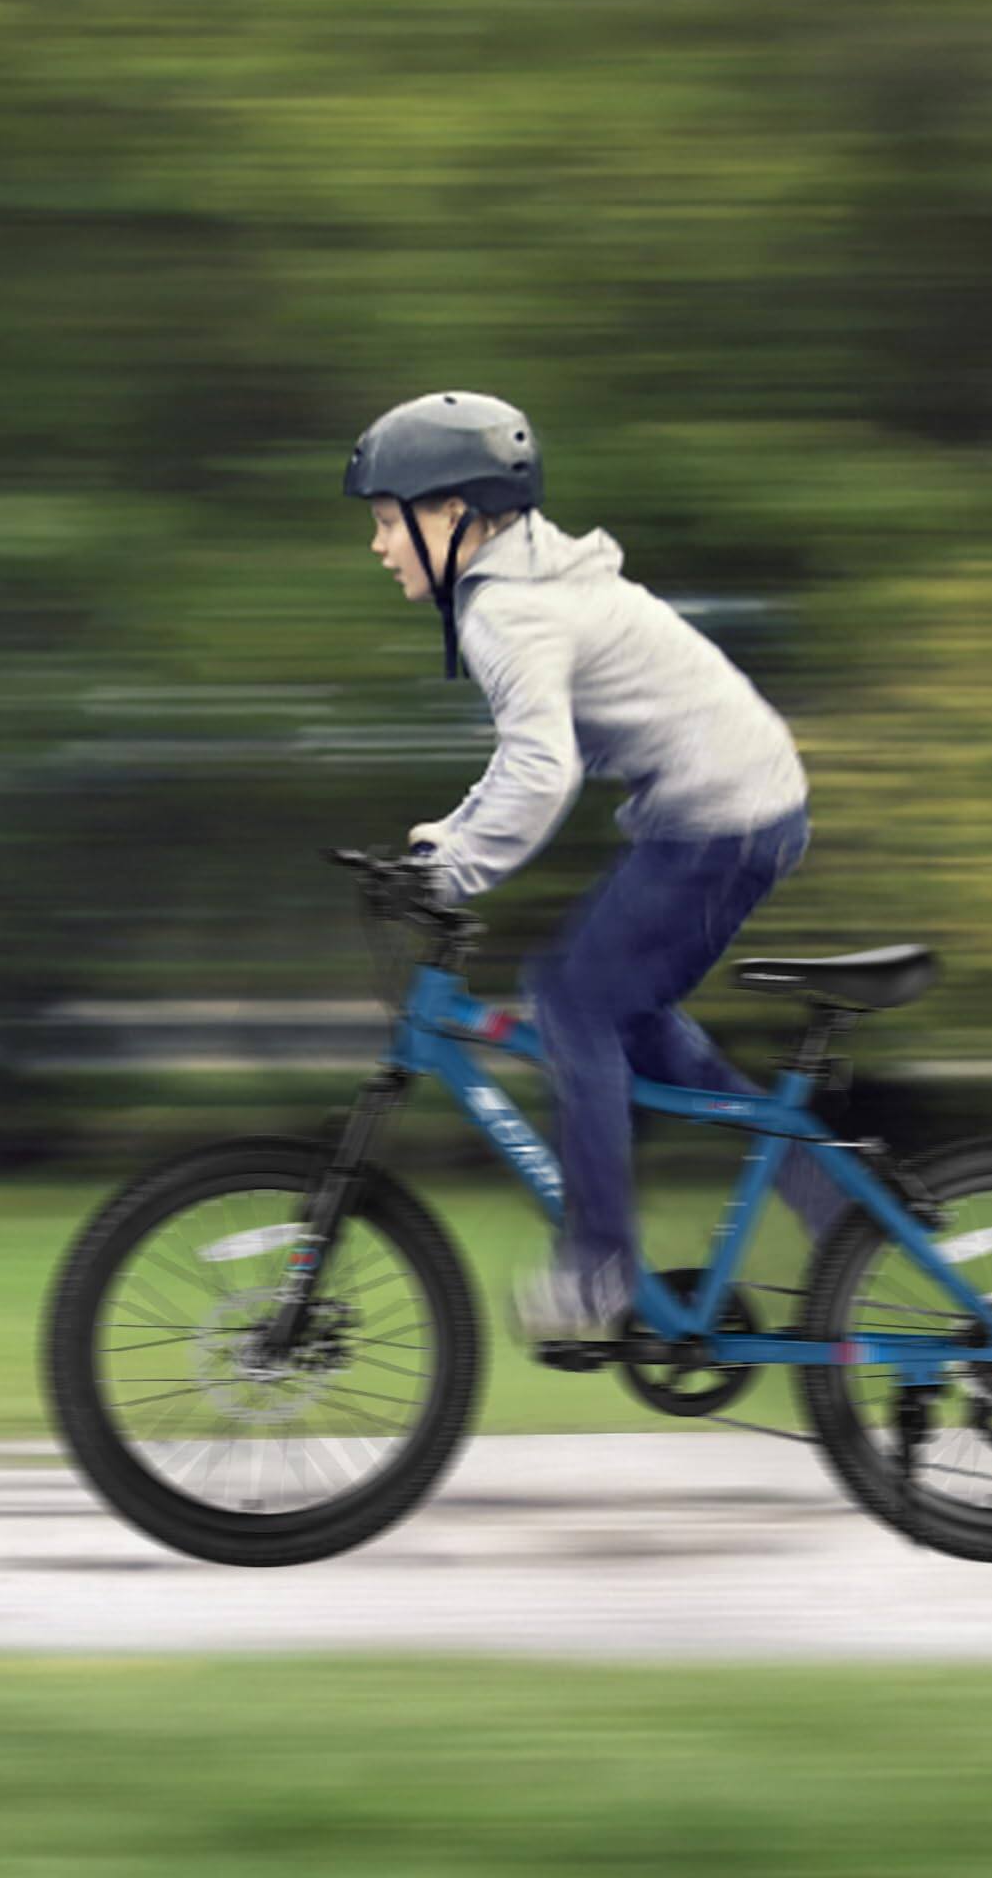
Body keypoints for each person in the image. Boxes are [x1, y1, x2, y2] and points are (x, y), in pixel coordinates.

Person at [343, 390, 846, 1340]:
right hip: (734, 809)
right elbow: (526, 758)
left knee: (572, 1001)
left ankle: (599, 1269)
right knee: (635, 1025)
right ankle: (832, 1206)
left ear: (452, 515)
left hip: (720, 820)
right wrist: (448, 838)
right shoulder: (528, 587)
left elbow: (542, 768)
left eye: (386, 520)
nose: (378, 545)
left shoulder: (508, 612)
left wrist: (454, 875)